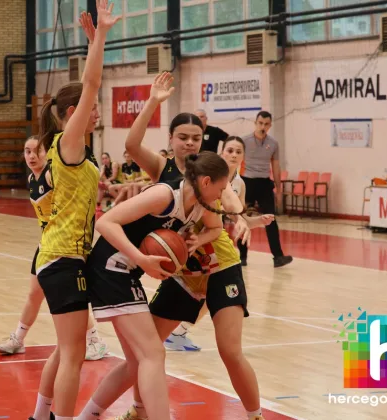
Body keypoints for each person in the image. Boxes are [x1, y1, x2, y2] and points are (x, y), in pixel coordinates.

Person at [76, 73, 271, 420]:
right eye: (183, 137)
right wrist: (153, 101)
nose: (190, 143)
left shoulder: (211, 173)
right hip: (182, 268)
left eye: (196, 137)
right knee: (146, 351)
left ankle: (255, 414)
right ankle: (138, 410)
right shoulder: (164, 172)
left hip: (219, 263)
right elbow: (132, 144)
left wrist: (240, 217)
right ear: (171, 139)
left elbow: (229, 202)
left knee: (228, 351)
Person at [81, 152, 227, 420]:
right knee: (153, 354)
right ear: (206, 182)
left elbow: (216, 228)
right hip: (110, 268)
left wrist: (196, 240)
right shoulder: (165, 195)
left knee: (136, 363)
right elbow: (105, 222)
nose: (222, 194)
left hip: (127, 273)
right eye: (221, 188)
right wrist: (140, 259)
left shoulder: (200, 205)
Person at [28, 4, 120, 420]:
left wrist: (93, 44)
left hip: (62, 256)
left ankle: (39, 415)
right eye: (91, 107)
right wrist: (99, 38)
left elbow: (89, 85)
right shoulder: (69, 141)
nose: (97, 111)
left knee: (66, 349)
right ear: (73, 114)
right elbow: (91, 83)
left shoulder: (72, 150)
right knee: (74, 355)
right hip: (63, 256)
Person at [0, 137, 108, 361]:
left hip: (67, 244)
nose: (31, 156)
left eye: (37, 151)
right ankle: (18, 339)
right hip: (47, 243)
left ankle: (95, 340)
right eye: (27, 151)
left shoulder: (52, 174)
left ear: (48, 153)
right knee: (34, 294)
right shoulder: (32, 178)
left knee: (72, 299)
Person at [239, 111, 293, 268]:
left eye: (266, 124)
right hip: (247, 182)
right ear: (255, 123)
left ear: (270, 125)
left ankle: (278, 257)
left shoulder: (273, 144)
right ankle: (242, 257)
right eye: (260, 123)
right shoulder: (244, 141)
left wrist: (279, 189)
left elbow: (276, 166)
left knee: (271, 220)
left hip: (264, 183)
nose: (263, 126)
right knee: (243, 218)